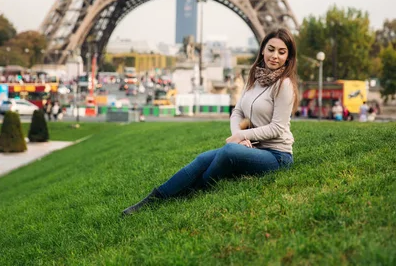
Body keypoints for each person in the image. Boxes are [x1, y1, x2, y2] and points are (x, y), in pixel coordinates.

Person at [122, 28, 299, 216]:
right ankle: (153, 200)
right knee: (201, 159)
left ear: (288, 57)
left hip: (277, 156)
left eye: (282, 52)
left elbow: (277, 128)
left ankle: (195, 189)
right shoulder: (255, 78)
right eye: (271, 49)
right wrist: (238, 137)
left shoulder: (284, 85)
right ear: (262, 49)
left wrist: (242, 135)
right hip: (255, 147)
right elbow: (237, 112)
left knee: (228, 151)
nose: (275, 56)